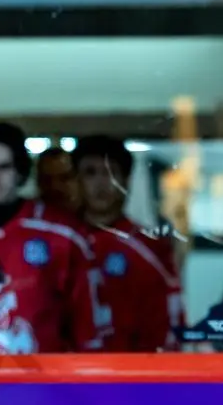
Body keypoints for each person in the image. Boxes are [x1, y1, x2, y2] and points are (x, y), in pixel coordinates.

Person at [0, 121, 97, 353]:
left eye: (4, 167)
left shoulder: (62, 234)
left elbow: (88, 326)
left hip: (43, 372)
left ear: (20, 171)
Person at [72, 134, 183, 349]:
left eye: (110, 173)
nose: (101, 183)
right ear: (77, 180)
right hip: (64, 367)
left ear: (126, 180)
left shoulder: (150, 247)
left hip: (131, 367)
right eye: (90, 173)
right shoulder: (61, 241)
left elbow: (171, 320)